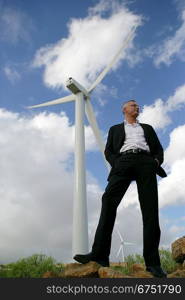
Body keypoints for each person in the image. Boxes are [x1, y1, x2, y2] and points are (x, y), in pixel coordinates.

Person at [74, 100, 167, 278]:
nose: (137, 107)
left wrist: (155, 162)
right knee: (108, 201)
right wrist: (116, 163)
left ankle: (153, 263)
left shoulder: (147, 128)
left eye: (138, 105)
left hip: (146, 163)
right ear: (124, 110)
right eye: (133, 105)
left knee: (150, 210)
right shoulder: (115, 129)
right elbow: (108, 150)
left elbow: (158, 149)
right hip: (123, 162)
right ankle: (100, 255)